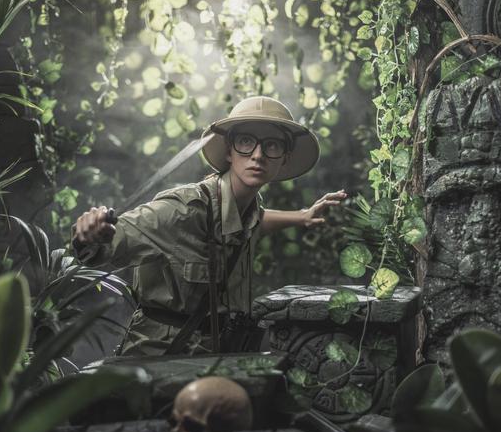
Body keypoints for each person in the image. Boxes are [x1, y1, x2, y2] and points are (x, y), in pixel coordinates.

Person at [73, 96, 346, 356]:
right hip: (160, 357)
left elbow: (257, 221)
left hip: (218, 354)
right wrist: (91, 233)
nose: (258, 155)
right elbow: (114, 237)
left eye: (272, 145)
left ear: (284, 157)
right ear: (229, 151)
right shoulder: (184, 210)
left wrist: (303, 215)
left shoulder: (247, 211)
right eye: (246, 142)